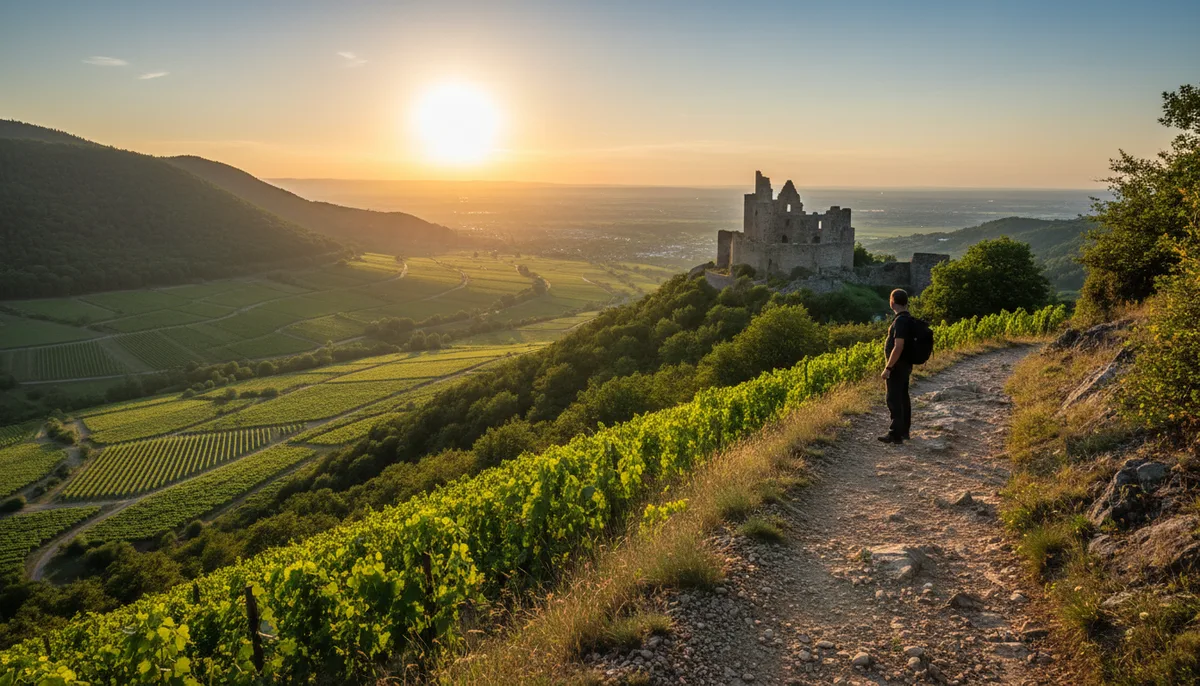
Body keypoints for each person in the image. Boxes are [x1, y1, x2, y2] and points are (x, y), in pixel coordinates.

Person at [879, 289, 913, 444]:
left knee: (893, 398)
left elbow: (898, 346)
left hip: (897, 366)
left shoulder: (900, 321)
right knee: (903, 397)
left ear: (892, 302)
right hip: (906, 364)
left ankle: (895, 434)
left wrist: (888, 368)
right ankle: (904, 431)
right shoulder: (909, 319)